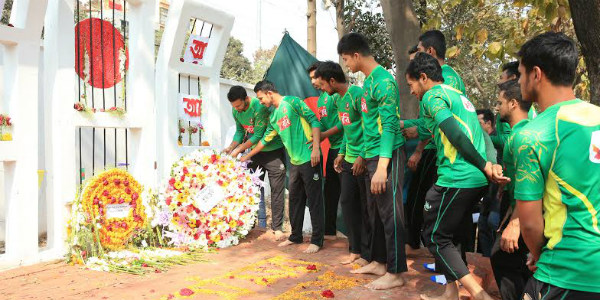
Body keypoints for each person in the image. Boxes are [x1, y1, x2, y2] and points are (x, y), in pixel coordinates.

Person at [406, 52, 507, 300]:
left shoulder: (432, 95)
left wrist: (485, 164)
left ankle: (479, 294)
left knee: (435, 236)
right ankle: (450, 291)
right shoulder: (458, 96)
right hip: (473, 178)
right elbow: (476, 135)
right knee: (448, 235)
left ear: (423, 77)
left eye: (411, 85)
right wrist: (491, 164)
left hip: (457, 177)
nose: (411, 92)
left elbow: (454, 134)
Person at [510, 32, 600, 300]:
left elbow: (529, 224)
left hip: (567, 273)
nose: (519, 80)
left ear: (536, 74)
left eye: (521, 73)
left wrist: (540, 257)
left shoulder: (532, 136)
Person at [338, 32, 407, 290]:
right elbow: (367, 125)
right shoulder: (367, 83)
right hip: (370, 156)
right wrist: (362, 157)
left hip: (385, 157)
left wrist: (381, 167)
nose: (346, 64)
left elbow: (389, 126)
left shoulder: (384, 83)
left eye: (346, 59)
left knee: (391, 215)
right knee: (375, 213)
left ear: (356, 55)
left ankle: (397, 271)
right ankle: (379, 261)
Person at [241, 80, 325, 254]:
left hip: (310, 158)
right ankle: (295, 236)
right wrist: (246, 156)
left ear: (269, 93)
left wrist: (316, 147)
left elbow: (315, 121)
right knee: (295, 199)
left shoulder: (293, 102)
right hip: (294, 162)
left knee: (314, 199)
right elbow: (264, 141)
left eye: (261, 98)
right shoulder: (273, 117)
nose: (261, 101)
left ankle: (317, 240)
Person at [314, 61, 370, 266]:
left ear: (332, 80)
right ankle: (354, 249)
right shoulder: (337, 99)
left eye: (322, 85)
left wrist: (362, 156)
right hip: (348, 157)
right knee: (347, 202)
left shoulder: (358, 94)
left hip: (363, 159)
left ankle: (367, 253)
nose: (321, 89)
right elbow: (347, 129)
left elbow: (368, 127)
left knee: (366, 207)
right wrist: (342, 153)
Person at [223, 86, 287, 241]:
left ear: (246, 99)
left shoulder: (259, 107)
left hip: (273, 151)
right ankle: (249, 224)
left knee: (277, 189)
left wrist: (238, 150)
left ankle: (277, 228)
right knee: (251, 189)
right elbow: (240, 131)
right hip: (254, 153)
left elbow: (258, 135)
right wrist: (231, 147)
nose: (237, 109)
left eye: (239, 106)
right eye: (234, 107)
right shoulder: (236, 111)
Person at [490, 80, 533, 300]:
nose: (498, 108)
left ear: (514, 103)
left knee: (502, 258)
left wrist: (515, 223)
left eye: (501, 103)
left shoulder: (521, 137)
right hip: (517, 207)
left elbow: (530, 186)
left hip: (526, 212)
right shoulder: (518, 134)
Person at [308, 61, 343, 241]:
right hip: (332, 148)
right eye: (312, 79)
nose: (314, 82)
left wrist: (323, 135)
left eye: (316, 78)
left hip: (345, 148)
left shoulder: (336, 95)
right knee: (330, 191)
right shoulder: (322, 98)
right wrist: (314, 135)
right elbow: (321, 123)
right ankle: (330, 231)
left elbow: (344, 122)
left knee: (348, 193)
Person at [476, 109, 501, 257]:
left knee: (492, 223)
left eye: (479, 123)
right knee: (483, 225)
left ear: (489, 123)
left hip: (498, 192)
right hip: (487, 193)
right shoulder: (480, 141)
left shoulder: (497, 140)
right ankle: (487, 260)